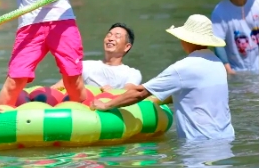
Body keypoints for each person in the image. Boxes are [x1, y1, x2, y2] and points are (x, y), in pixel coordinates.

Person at [91, 14, 235, 142]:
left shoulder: (183, 68)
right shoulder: (217, 64)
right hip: (226, 139)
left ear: (187, 39)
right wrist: (151, 101)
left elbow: (140, 92)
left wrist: (106, 105)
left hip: (200, 144)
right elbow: (189, 94)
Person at [51, 23, 141, 92]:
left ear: (127, 47)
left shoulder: (132, 73)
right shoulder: (85, 66)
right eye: (109, 35)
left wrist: (112, 93)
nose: (111, 38)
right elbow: (61, 85)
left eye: (117, 36)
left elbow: (128, 92)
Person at [211, 0, 259, 74]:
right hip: (237, 71)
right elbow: (218, 43)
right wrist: (228, 69)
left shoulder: (259, 1)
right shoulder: (220, 12)